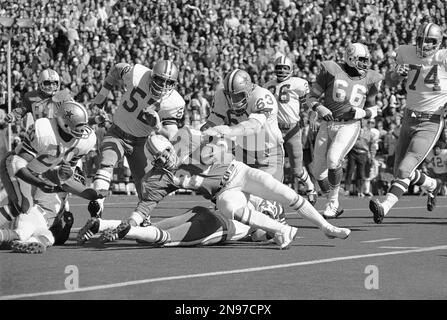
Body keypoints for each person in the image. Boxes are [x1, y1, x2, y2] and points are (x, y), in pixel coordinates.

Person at [78, 130, 350, 250]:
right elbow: (146, 205)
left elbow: (220, 144)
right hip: (222, 196)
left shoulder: (189, 139)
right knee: (228, 207)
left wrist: (200, 153)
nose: (164, 160)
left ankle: (326, 226)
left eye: (166, 154)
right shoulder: (161, 177)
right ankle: (282, 230)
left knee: (286, 194)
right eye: (158, 159)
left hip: (239, 172)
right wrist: (133, 220)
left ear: (171, 146)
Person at [369, 22, 447, 223]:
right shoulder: (405, 52)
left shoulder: (444, 57)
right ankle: (431, 184)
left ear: (439, 42)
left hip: (430, 121)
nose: (426, 44)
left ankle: (384, 207)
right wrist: (396, 74)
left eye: (431, 41)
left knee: (404, 170)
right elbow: (390, 82)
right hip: (408, 117)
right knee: (400, 172)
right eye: (422, 39)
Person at [89, 59, 185, 217]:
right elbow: (117, 68)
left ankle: (143, 219)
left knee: (145, 186)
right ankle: (97, 204)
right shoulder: (138, 74)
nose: (162, 85)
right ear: (152, 76)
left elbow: (172, 134)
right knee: (107, 162)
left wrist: (158, 127)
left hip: (141, 143)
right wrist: (102, 94)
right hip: (117, 133)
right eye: (159, 79)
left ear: (174, 84)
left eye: (168, 82)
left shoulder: (174, 102)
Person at [0, 101, 96, 253]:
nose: (83, 132)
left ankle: (25, 239)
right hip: (17, 166)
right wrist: (41, 183)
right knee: (23, 207)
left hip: (37, 180)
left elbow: (71, 178)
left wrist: (94, 194)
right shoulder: (44, 131)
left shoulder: (82, 142)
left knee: (46, 230)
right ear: (64, 125)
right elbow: (18, 164)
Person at [307, 42, 383, 218]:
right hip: (328, 124)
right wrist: (319, 108)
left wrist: (362, 112)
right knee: (318, 171)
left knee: (333, 160)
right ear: (351, 58)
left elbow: (374, 109)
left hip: (349, 125)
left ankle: (332, 204)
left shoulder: (370, 78)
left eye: (366, 60)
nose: (365, 64)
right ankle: (332, 198)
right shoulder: (331, 70)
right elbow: (311, 97)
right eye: (362, 60)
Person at [201, 68, 285, 219]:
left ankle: (278, 216)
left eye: (238, 95)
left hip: (268, 154)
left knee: (267, 209)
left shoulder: (262, 96)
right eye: (230, 96)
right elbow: (212, 122)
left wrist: (228, 130)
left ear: (248, 88)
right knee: (233, 208)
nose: (233, 101)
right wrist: (203, 135)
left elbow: (252, 126)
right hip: (242, 153)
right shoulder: (221, 95)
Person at [264, 56, 318, 205]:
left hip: (293, 129)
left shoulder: (298, 83)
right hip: (274, 130)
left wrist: (313, 113)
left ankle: (310, 187)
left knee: (297, 170)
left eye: (285, 68)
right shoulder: (267, 85)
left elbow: (309, 101)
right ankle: (275, 197)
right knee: (275, 166)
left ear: (291, 69)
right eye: (279, 67)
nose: (281, 70)